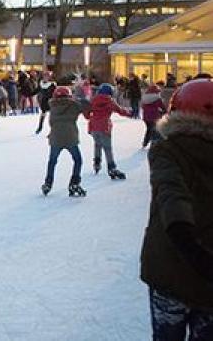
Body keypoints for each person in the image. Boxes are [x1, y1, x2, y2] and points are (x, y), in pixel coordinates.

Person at [140, 78, 213, 340]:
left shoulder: (166, 149)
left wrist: (190, 247)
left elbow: (170, 193)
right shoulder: (167, 151)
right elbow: (173, 193)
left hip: (168, 267)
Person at [41, 86, 88, 197]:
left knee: (52, 162)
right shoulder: (74, 105)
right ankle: (74, 182)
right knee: (78, 160)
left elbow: (52, 122)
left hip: (56, 138)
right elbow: (86, 106)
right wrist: (80, 99)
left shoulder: (53, 106)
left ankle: (48, 183)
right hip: (70, 137)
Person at [85, 83, 130, 179]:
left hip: (93, 127)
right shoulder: (110, 101)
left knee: (97, 145)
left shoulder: (93, 100)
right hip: (104, 127)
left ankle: (97, 164)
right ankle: (111, 168)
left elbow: (87, 114)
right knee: (107, 148)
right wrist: (128, 112)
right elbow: (120, 111)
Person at [141, 84, 167, 148]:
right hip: (154, 117)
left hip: (146, 117)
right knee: (155, 131)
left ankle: (145, 142)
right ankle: (154, 144)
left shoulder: (144, 98)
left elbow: (142, 107)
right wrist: (165, 112)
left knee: (149, 129)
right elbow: (162, 107)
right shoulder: (157, 98)